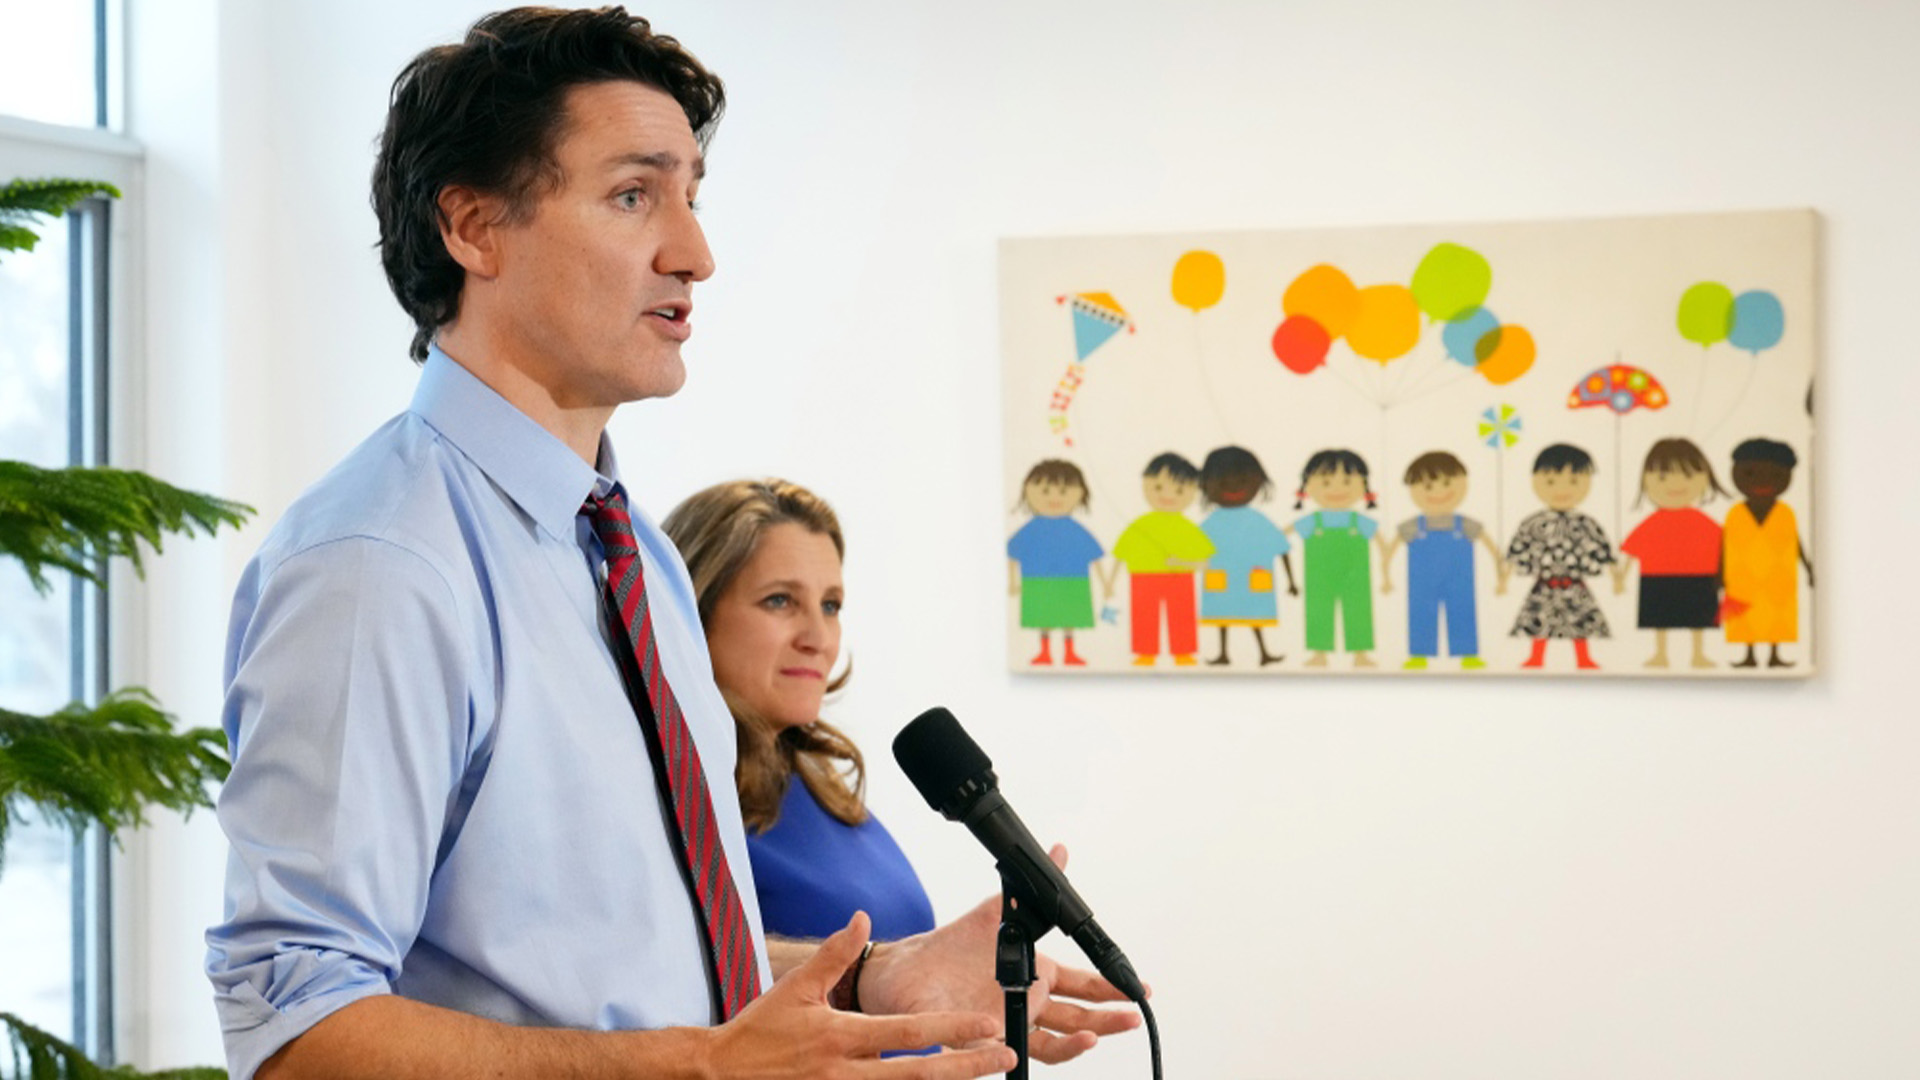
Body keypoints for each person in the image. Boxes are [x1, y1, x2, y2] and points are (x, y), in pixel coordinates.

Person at [203, 9, 1134, 1080]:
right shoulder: (381, 566)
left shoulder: (630, 552)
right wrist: (696, 1067)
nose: (694, 254)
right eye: (634, 195)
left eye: (691, 198)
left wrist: (878, 982)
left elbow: (640, 970)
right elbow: (296, 1033)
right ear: (473, 227)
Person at [662, 478, 935, 943]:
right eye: (780, 601)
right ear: (692, 611)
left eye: (830, 606)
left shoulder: (817, 788)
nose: (818, 638)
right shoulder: (674, 807)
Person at [1379, 451, 1506, 670]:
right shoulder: (1412, 526)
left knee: (1463, 611)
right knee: (1420, 613)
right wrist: (1386, 577)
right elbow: (1389, 551)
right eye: (1428, 486)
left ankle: (1468, 652)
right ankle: (1419, 653)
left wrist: (1501, 576)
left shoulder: (1465, 524)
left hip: (1460, 581)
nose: (1438, 492)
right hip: (1421, 583)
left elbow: (1491, 547)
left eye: (1447, 483)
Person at [1612, 437, 1728, 669]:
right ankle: (1661, 654)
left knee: (1698, 620)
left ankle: (1698, 654)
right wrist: (1621, 578)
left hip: (1700, 577)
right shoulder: (1652, 523)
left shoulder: (1703, 522)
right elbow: (1631, 553)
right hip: (1658, 577)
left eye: (1687, 476)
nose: (1675, 485)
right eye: (1662, 477)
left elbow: (1724, 549)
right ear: (1646, 480)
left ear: (1705, 478)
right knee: (1660, 619)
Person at [1501, 443, 1615, 670]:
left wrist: (1617, 577)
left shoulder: (1585, 524)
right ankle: (1536, 657)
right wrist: (1503, 579)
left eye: (1574, 481)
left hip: (1574, 585)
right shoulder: (1534, 523)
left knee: (1581, 623)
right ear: (1535, 481)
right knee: (1539, 622)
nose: (1562, 489)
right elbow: (1517, 550)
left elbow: (1602, 550)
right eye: (1551, 481)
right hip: (1545, 584)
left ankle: (1583, 659)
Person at [1111, 452, 1215, 667]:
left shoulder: (1189, 529)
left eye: (1179, 490)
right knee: (1144, 615)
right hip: (1143, 577)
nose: (1168, 495)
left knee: (1182, 615)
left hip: (1180, 579)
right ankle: (1145, 652)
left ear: (1194, 491)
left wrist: (1182, 564)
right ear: (1145, 485)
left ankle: (1184, 652)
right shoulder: (1140, 525)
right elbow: (1119, 556)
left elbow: (1205, 563)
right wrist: (1109, 583)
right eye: (1158, 487)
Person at [1195, 445, 1295, 667]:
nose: (1232, 485)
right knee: (1222, 616)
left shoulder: (1258, 521)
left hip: (1253, 579)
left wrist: (1292, 582)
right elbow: (1194, 550)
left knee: (1255, 616)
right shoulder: (1211, 523)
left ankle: (1263, 653)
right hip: (1221, 579)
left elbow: (1282, 549)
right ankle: (1223, 653)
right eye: (1222, 480)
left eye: (1242, 479)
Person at [1005, 459, 1112, 667]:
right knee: (1043, 618)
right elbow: (1012, 554)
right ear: (1028, 491)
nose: (1054, 498)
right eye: (1045, 491)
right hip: (1037, 581)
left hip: (1073, 582)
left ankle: (1070, 652)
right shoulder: (1031, 529)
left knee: (1069, 619)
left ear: (1080, 493)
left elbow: (1095, 557)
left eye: (1063, 491)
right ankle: (1044, 652)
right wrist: (1012, 582)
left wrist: (1105, 583)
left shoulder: (1075, 529)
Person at [1288, 449, 1387, 669]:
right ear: (1308, 487)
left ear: (1364, 486)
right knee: (1318, 610)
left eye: (1347, 481)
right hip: (1319, 578)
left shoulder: (1359, 521)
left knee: (1358, 611)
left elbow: (1382, 544)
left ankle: (1360, 654)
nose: (1337, 489)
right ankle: (1319, 654)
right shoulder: (1313, 521)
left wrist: (1386, 573)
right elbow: (1282, 534)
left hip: (1356, 578)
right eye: (1326, 482)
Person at [1722, 437, 1814, 669]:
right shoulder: (1735, 514)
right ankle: (1749, 655)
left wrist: (1809, 567)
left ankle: (1775, 655)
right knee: (1745, 616)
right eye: (1750, 474)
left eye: (1775, 476)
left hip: (1778, 576)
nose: (1763, 482)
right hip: (1743, 576)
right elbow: (1724, 545)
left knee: (1777, 614)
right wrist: (1719, 574)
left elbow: (1796, 543)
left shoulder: (1785, 513)